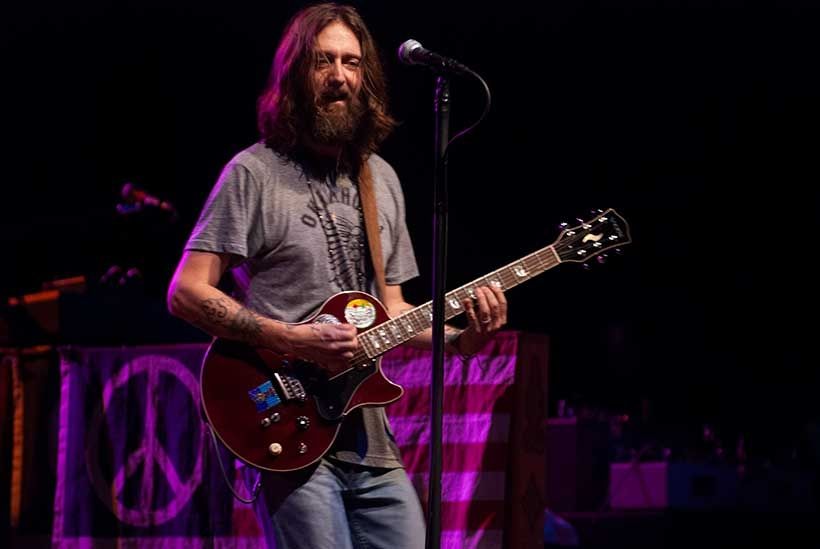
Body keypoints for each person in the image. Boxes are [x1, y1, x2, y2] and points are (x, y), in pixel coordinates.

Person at [166, 3, 507, 548]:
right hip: (290, 428)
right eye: (324, 60)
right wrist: (291, 337)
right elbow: (186, 291)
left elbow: (394, 310)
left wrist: (463, 339)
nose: (339, 76)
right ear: (295, 74)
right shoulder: (254, 172)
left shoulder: (381, 179)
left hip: (371, 440)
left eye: (351, 62)